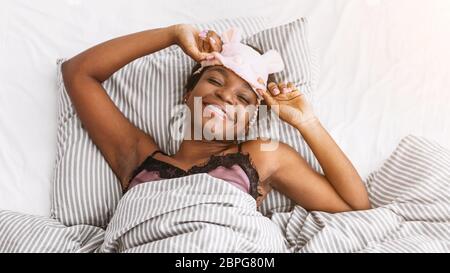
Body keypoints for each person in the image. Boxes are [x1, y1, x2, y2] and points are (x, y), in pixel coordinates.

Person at [61, 24, 371, 212]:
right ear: (188, 94)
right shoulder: (137, 156)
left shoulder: (262, 157)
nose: (225, 96)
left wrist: (307, 123)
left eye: (243, 98)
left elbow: (356, 206)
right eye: (216, 81)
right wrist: (171, 34)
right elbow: (78, 72)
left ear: (248, 121)